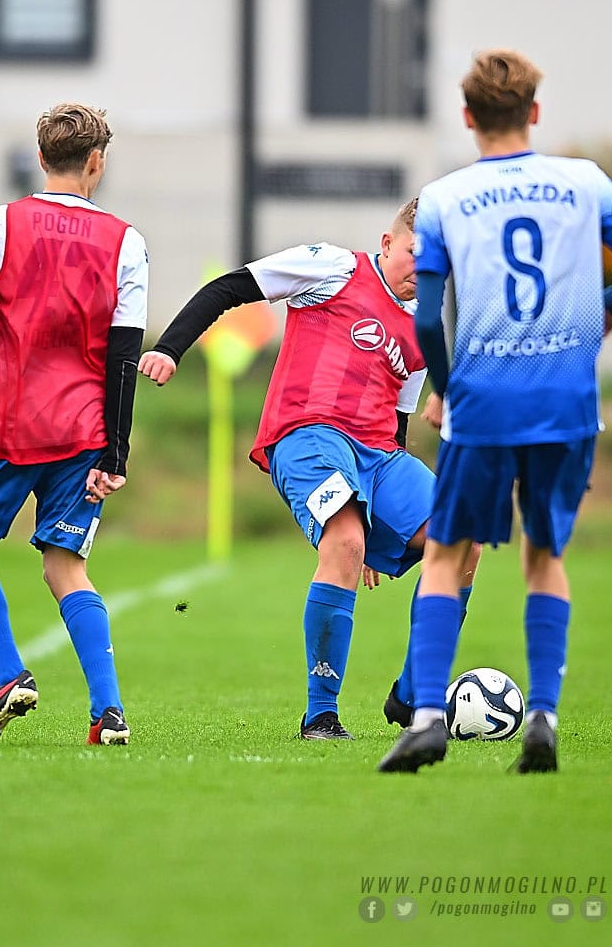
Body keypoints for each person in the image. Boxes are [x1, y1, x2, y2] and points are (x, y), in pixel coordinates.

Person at [377, 48, 612, 774]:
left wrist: (445, 389)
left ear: (468, 117)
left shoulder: (443, 199)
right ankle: (541, 715)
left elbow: (427, 319)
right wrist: (600, 310)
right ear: (534, 112)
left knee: (446, 553)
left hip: (483, 402)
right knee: (544, 557)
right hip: (565, 400)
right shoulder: (585, 183)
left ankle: (427, 718)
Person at [137, 199, 481, 740]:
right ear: (387, 243)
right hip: (307, 434)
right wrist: (170, 349)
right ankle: (320, 715)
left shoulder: (425, 326)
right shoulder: (332, 267)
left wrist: (382, 521)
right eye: (416, 253)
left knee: (463, 539)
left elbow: (397, 418)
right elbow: (228, 288)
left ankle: (413, 696)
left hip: (377, 454)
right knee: (344, 541)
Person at [0, 102, 149, 747]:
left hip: (11, 424)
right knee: (66, 565)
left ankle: (8, 675)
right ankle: (107, 712)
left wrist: (6, 312)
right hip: (84, 430)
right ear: (97, 162)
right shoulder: (126, 240)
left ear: (40, 157)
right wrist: (115, 453)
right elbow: (124, 356)